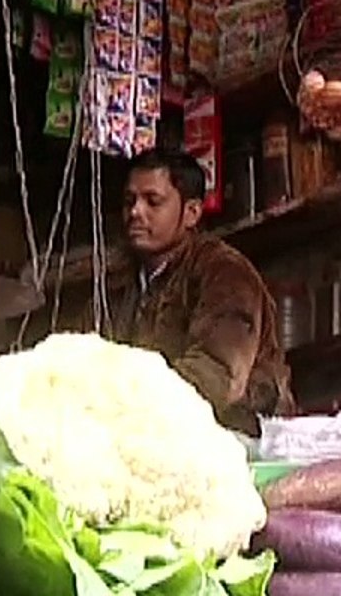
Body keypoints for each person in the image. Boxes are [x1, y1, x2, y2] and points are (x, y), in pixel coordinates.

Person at [86, 148, 296, 436]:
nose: (135, 212)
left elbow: (218, 372)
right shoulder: (118, 286)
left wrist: (127, 407)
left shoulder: (225, 273)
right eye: (129, 201)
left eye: (153, 201)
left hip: (238, 438)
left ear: (192, 212)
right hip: (146, 437)